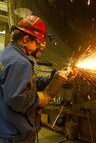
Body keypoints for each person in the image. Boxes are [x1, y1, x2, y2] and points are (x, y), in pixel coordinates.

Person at [0, 14, 74, 143]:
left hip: (5, 127)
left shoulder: (7, 53)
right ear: (26, 39)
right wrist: (45, 95)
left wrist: (51, 78)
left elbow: (23, 83)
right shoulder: (20, 62)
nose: (42, 47)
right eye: (39, 42)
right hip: (16, 133)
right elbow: (17, 99)